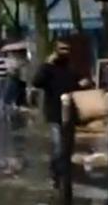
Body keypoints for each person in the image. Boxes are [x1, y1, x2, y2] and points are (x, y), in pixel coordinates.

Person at [32, 41, 83, 182]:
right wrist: (46, 64)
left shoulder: (71, 68)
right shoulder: (49, 69)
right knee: (59, 145)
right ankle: (56, 173)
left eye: (67, 49)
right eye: (61, 49)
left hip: (70, 112)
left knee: (68, 145)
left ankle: (65, 173)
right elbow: (37, 82)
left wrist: (83, 84)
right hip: (55, 112)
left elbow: (79, 85)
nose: (65, 52)